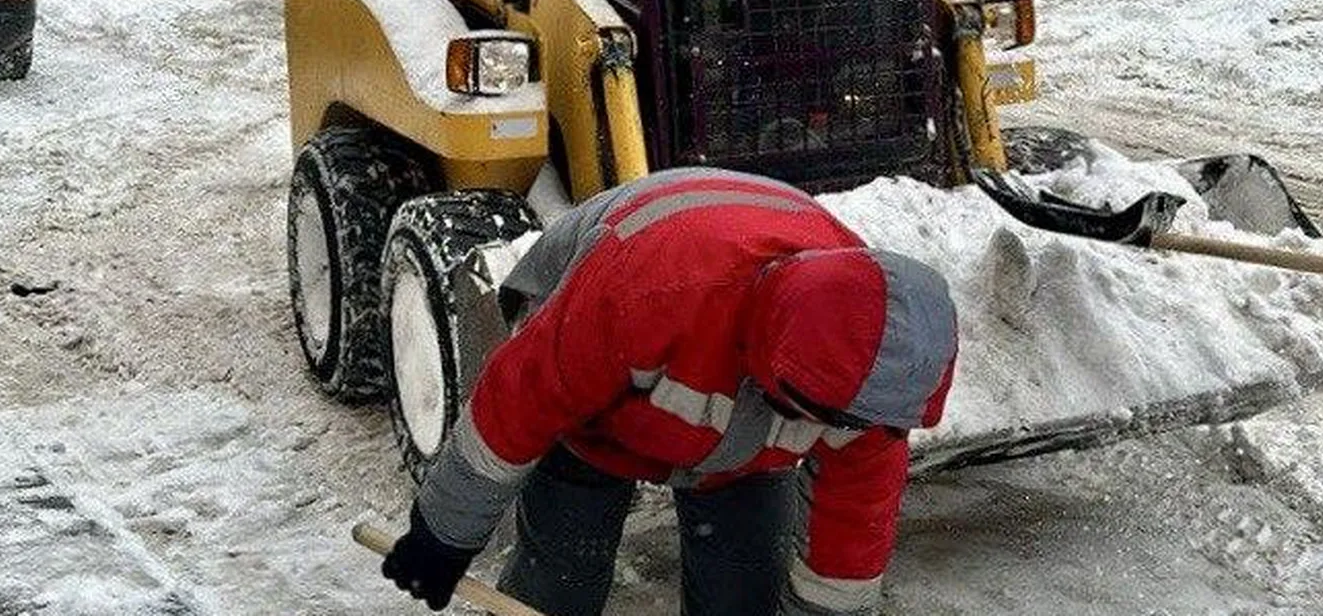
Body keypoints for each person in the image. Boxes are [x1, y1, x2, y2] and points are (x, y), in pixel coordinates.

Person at [381, 167, 957, 616]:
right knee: (560, 576)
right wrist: (443, 533)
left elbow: (844, 552)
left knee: (741, 590)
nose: (841, 430)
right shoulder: (641, 297)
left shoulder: (879, 387)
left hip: (737, 447)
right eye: (818, 413)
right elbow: (516, 404)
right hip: (596, 394)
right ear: (778, 367)